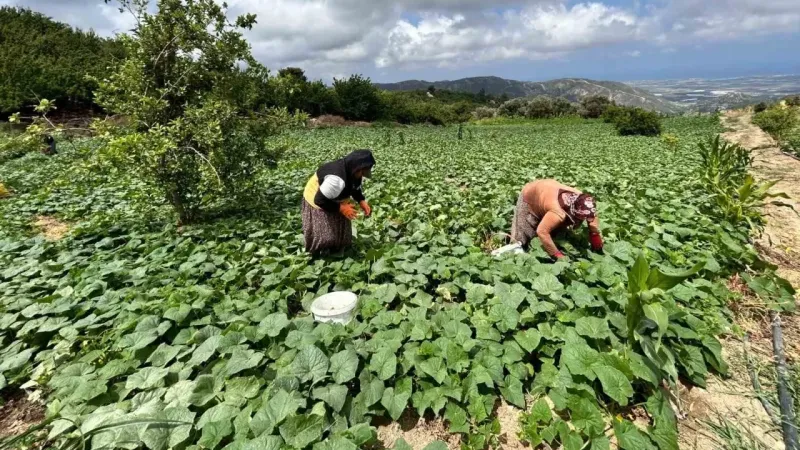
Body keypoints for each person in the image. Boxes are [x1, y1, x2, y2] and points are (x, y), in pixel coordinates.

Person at [302, 149, 376, 253]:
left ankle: (338, 250)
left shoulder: (353, 171)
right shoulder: (336, 180)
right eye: (362, 173)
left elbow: (355, 187)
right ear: (357, 169)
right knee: (325, 238)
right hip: (317, 198)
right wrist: (341, 208)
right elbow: (320, 200)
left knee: (343, 238)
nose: (362, 176)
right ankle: (318, 255)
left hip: (335, 196)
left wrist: (361, 200)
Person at [510, 179, 603, 259]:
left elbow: (593, 224)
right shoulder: (558, 212)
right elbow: (542, 232)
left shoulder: (586, 204)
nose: (580, 221)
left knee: (557, 234)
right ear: (572, 212)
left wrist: (597, 243)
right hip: (531, 193)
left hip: (548, 190)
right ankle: (514, 253)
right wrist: (557, 255)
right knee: (524, 232)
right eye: (579, 218)